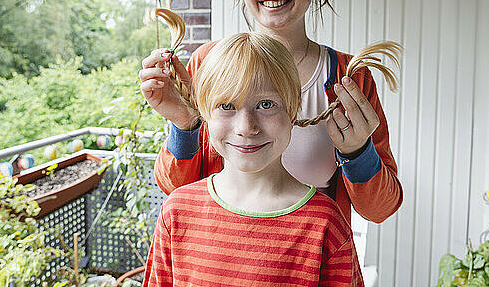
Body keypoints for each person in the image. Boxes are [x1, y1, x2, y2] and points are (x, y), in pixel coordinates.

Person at [139, 0, 402, 223]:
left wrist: (358, 152)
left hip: (308, 261)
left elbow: (381, 208)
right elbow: (176, 189)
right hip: (220, 258)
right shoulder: (207, 64)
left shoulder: (350, 76)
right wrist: (185, 125)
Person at [142, 33, 363, 286]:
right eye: (226, 106)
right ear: (204, 113)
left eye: (266, 104)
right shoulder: (176, 212)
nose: (246, 127)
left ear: (292, 110)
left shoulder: (326, 224)